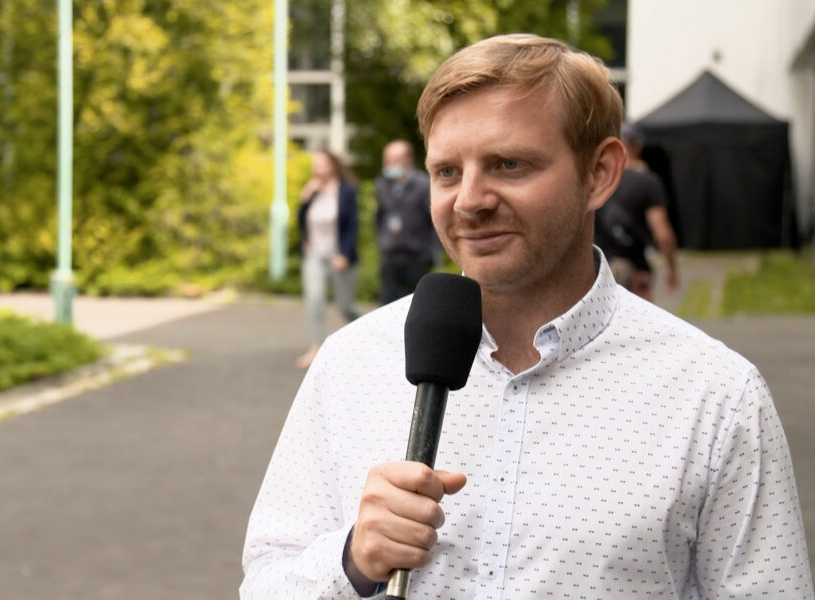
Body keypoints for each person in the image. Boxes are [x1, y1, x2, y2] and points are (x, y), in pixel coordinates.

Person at [242, 34, 813, 599]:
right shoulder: (352, 362)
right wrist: (351, 560)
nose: (469, 200)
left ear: (600, 174)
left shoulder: (715, 395)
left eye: (508, 164)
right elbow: (266, 583)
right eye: (446, 172)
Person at [594, 123, 679, 301]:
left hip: (598, 272)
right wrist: (672, 269)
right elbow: (662, 234)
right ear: (638, 145)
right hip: (636, 271)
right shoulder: (647, 182)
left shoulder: (595, 178)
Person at [295, 149, 360, 370]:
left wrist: (345, 254)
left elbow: (352, 225)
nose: (317, 167)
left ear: (333, 164)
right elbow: (301, 221)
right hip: (315, 255)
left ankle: (366, 340)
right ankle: (315, 348)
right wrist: (305, 200)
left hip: (339, 256)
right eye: (315, 163)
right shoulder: (312, 190)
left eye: (321, 162)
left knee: (346, 306)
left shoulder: (345, 191)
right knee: (314, 300)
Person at [375, 140, 440, 304]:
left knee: (414, 305)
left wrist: (433, 250)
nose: (390, 164)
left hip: (417, 256)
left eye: (395, 160)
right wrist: (382, 241)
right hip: (390, 255)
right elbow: (380, 215)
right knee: (387, 306)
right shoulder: (382, 184)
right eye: (387, 160)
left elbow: (433, 218)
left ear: (408, 159)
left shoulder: (423, 184)